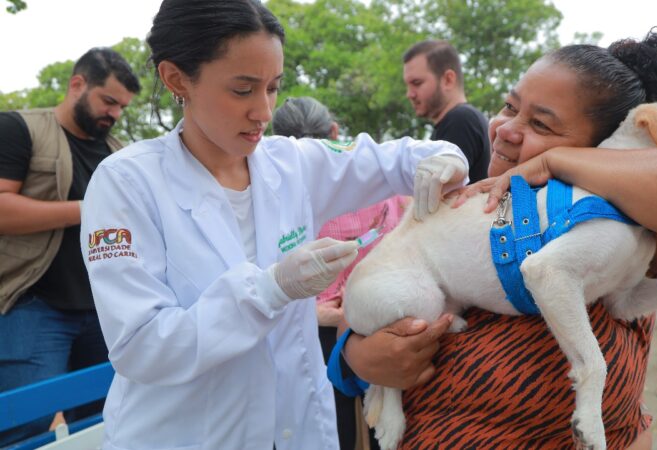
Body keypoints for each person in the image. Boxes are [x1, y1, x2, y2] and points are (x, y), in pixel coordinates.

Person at [336, 29, 657, 449]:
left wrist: (554, 162)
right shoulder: (474, 199)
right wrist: (354, 358)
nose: (504, 128)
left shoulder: (644, 223)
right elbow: (365, 309)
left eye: (541, 123)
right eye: (509, 106)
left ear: (600, 148)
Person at [78, 1, 469, 449]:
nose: (263, 111)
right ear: (176, 78)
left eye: (273, 88)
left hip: (298, 430)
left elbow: (404, 158)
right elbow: (143, 347)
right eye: (243, 90)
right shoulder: (126, 183)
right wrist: (273, 290)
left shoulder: (290, 164)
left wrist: (446, 162)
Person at [0, 47, 140, 445]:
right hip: (32, 306)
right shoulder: (18, 128)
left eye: (122, 107)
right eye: (108, 100)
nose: (114, 114)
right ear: (77, 84)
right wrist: (89, 209)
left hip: (104, 309)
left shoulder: (118, 153)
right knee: (24, 423)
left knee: (109, 415)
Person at [272, 96, 406, 450]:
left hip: (316, 330)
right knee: (389, 427)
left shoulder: (279, 194)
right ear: (334, 131)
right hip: (387, 323)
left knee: (334, 426)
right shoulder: (378, 181)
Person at [403, 39, 491, 183]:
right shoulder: (459, 120)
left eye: (417, 83)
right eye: (408, 86)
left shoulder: (460, 120)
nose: (409, 94)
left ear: (448, 80)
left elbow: (439, 196)